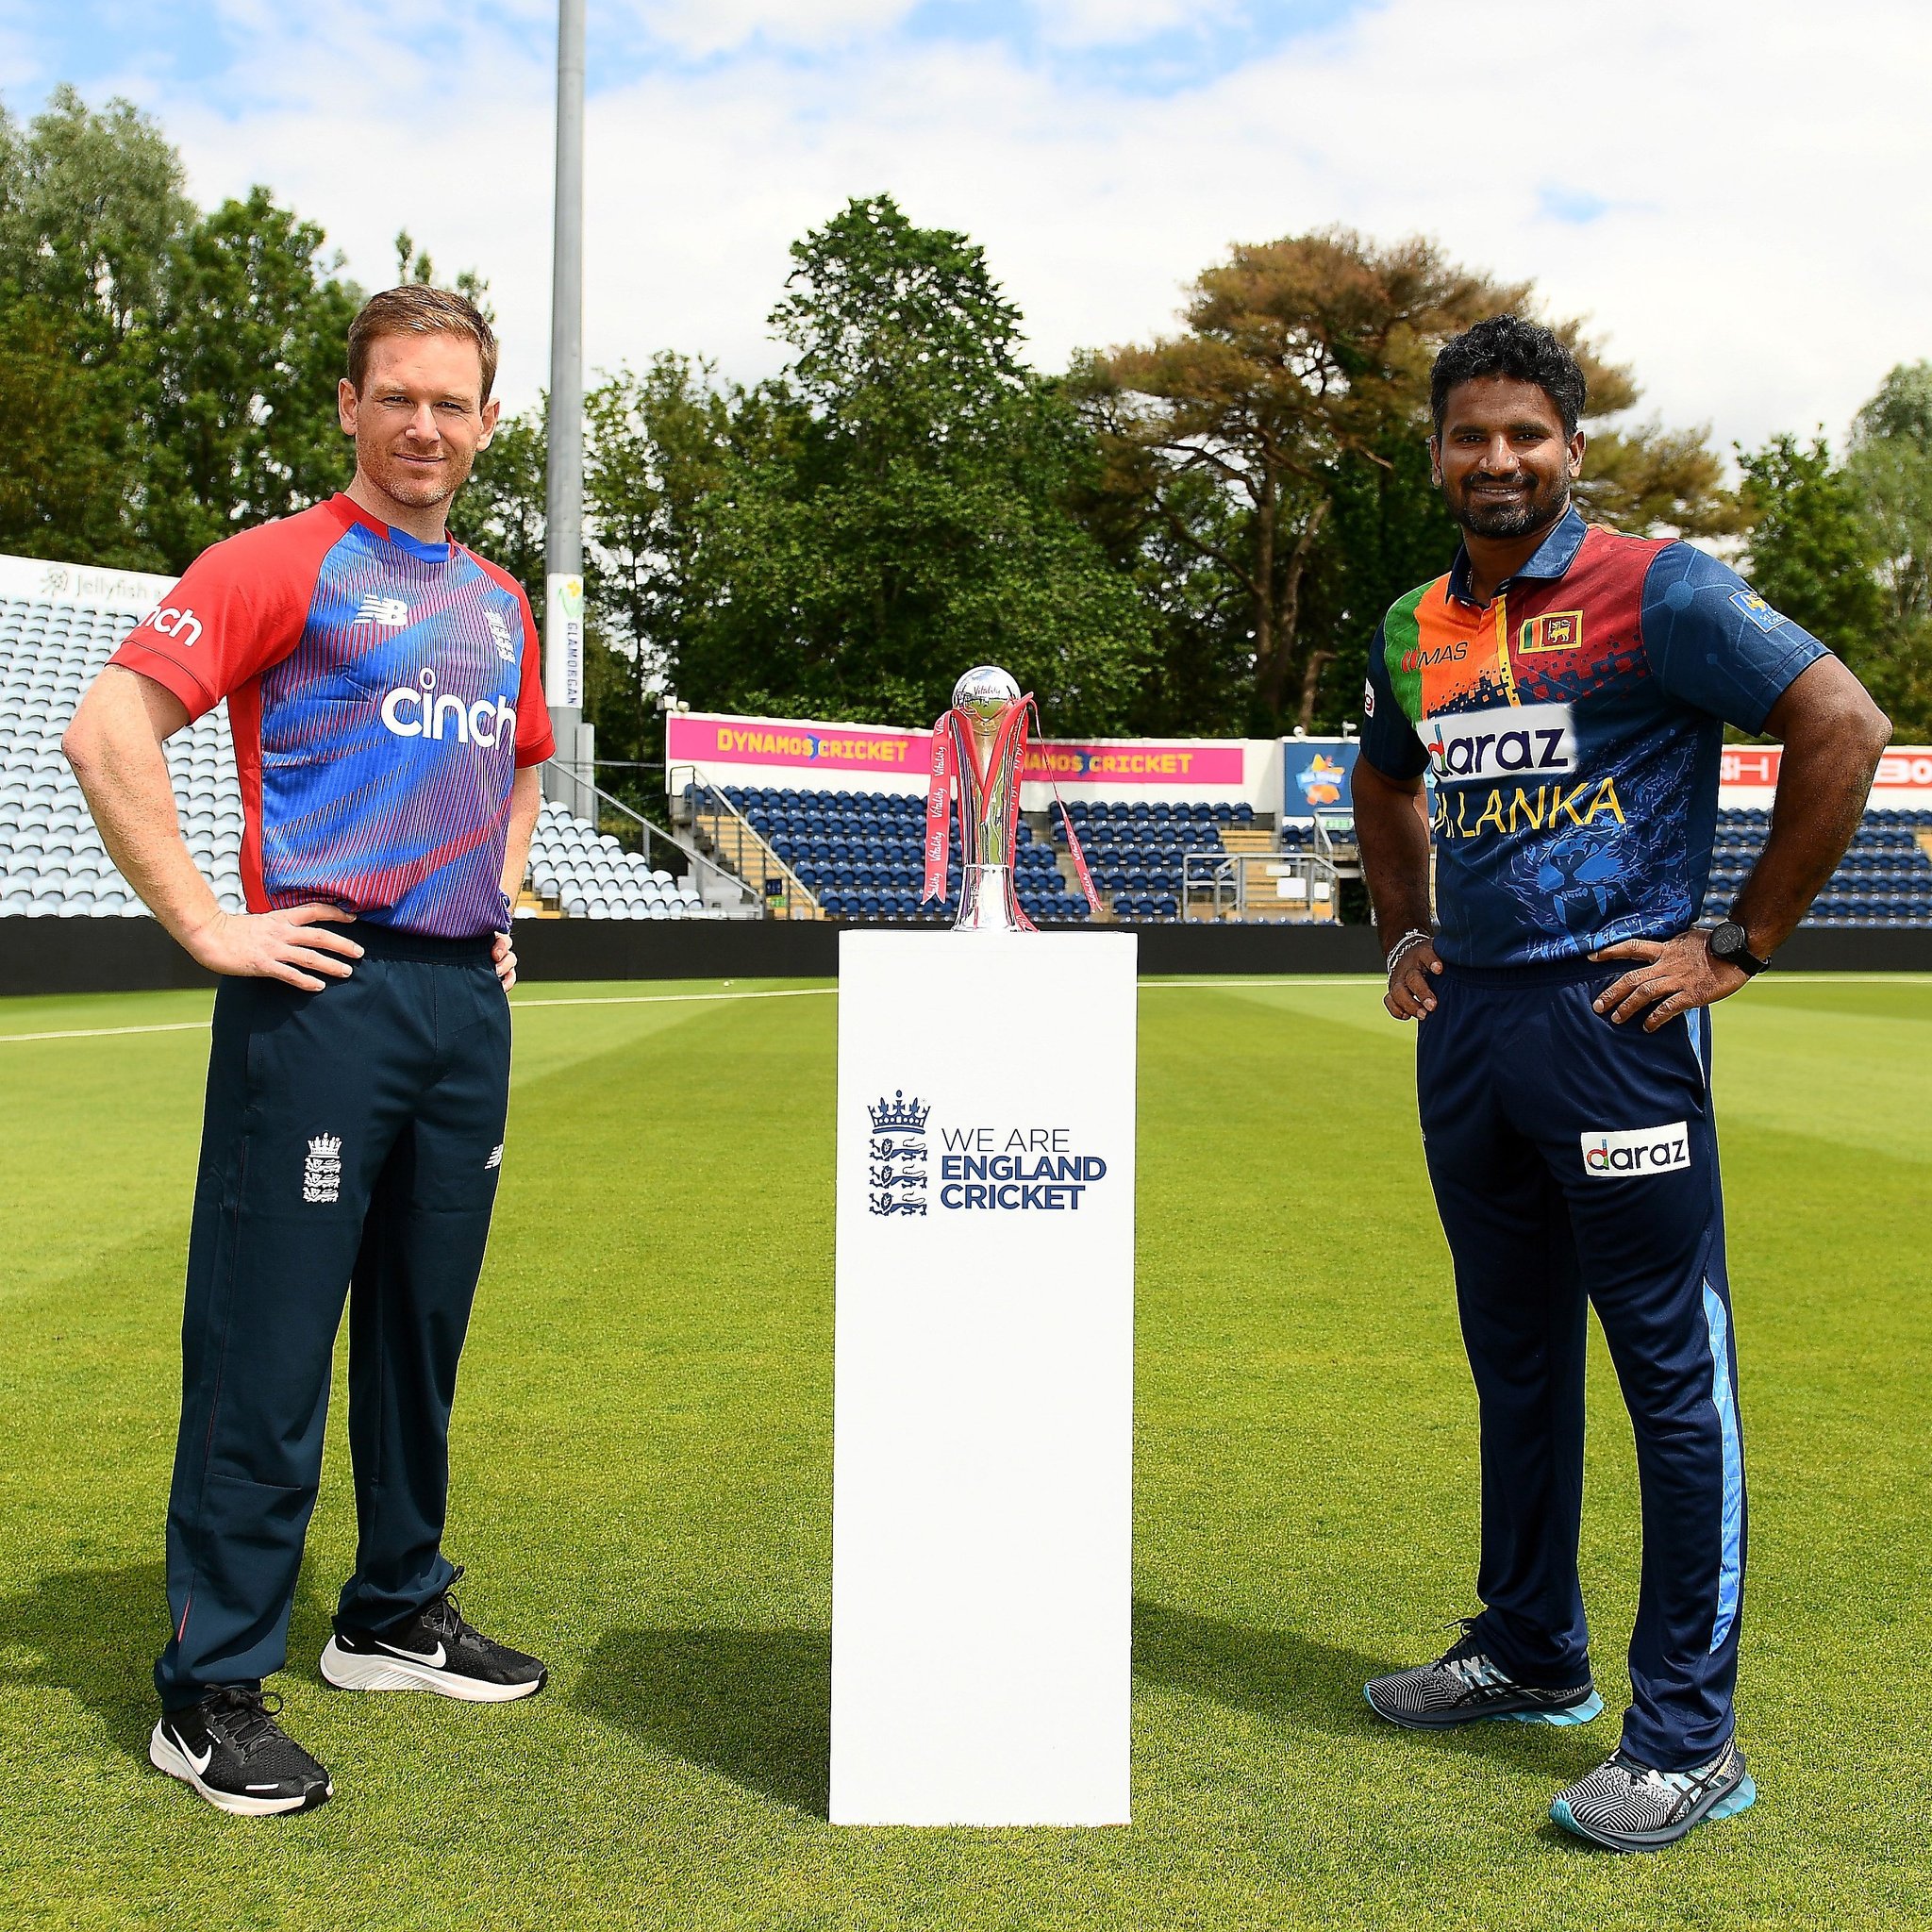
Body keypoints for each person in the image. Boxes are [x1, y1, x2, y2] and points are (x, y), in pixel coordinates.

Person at [1351, 314, 1890, 1852]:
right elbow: (1384, 774)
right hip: (1474, 1030)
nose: (1499, 460)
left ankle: (1687, 1735)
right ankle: (1530, 1650)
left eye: (1528, 434)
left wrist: (1742, 940)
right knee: (1514, 1357)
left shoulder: (1658, 587)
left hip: (1617, 1025)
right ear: (1437, 453)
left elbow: (1840, 721)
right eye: (1471, 435)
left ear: (1571, 449)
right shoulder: (1411, 625)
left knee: (1668, 1375)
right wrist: (1403, 927)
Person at [62, 285, 557, 1817]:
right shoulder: (279, 560)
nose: (425, 426)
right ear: (350, 403)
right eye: (397, 396)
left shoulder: (497, 597)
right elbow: (108, 729)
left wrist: (497, 898)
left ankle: (393, 1610)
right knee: (267, 1350)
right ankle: (209, 1689)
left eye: (453, 403)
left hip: (457, 1008)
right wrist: (214, 924)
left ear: (487, 420)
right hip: (321, 996)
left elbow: (522, 763)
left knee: (422, 1330)